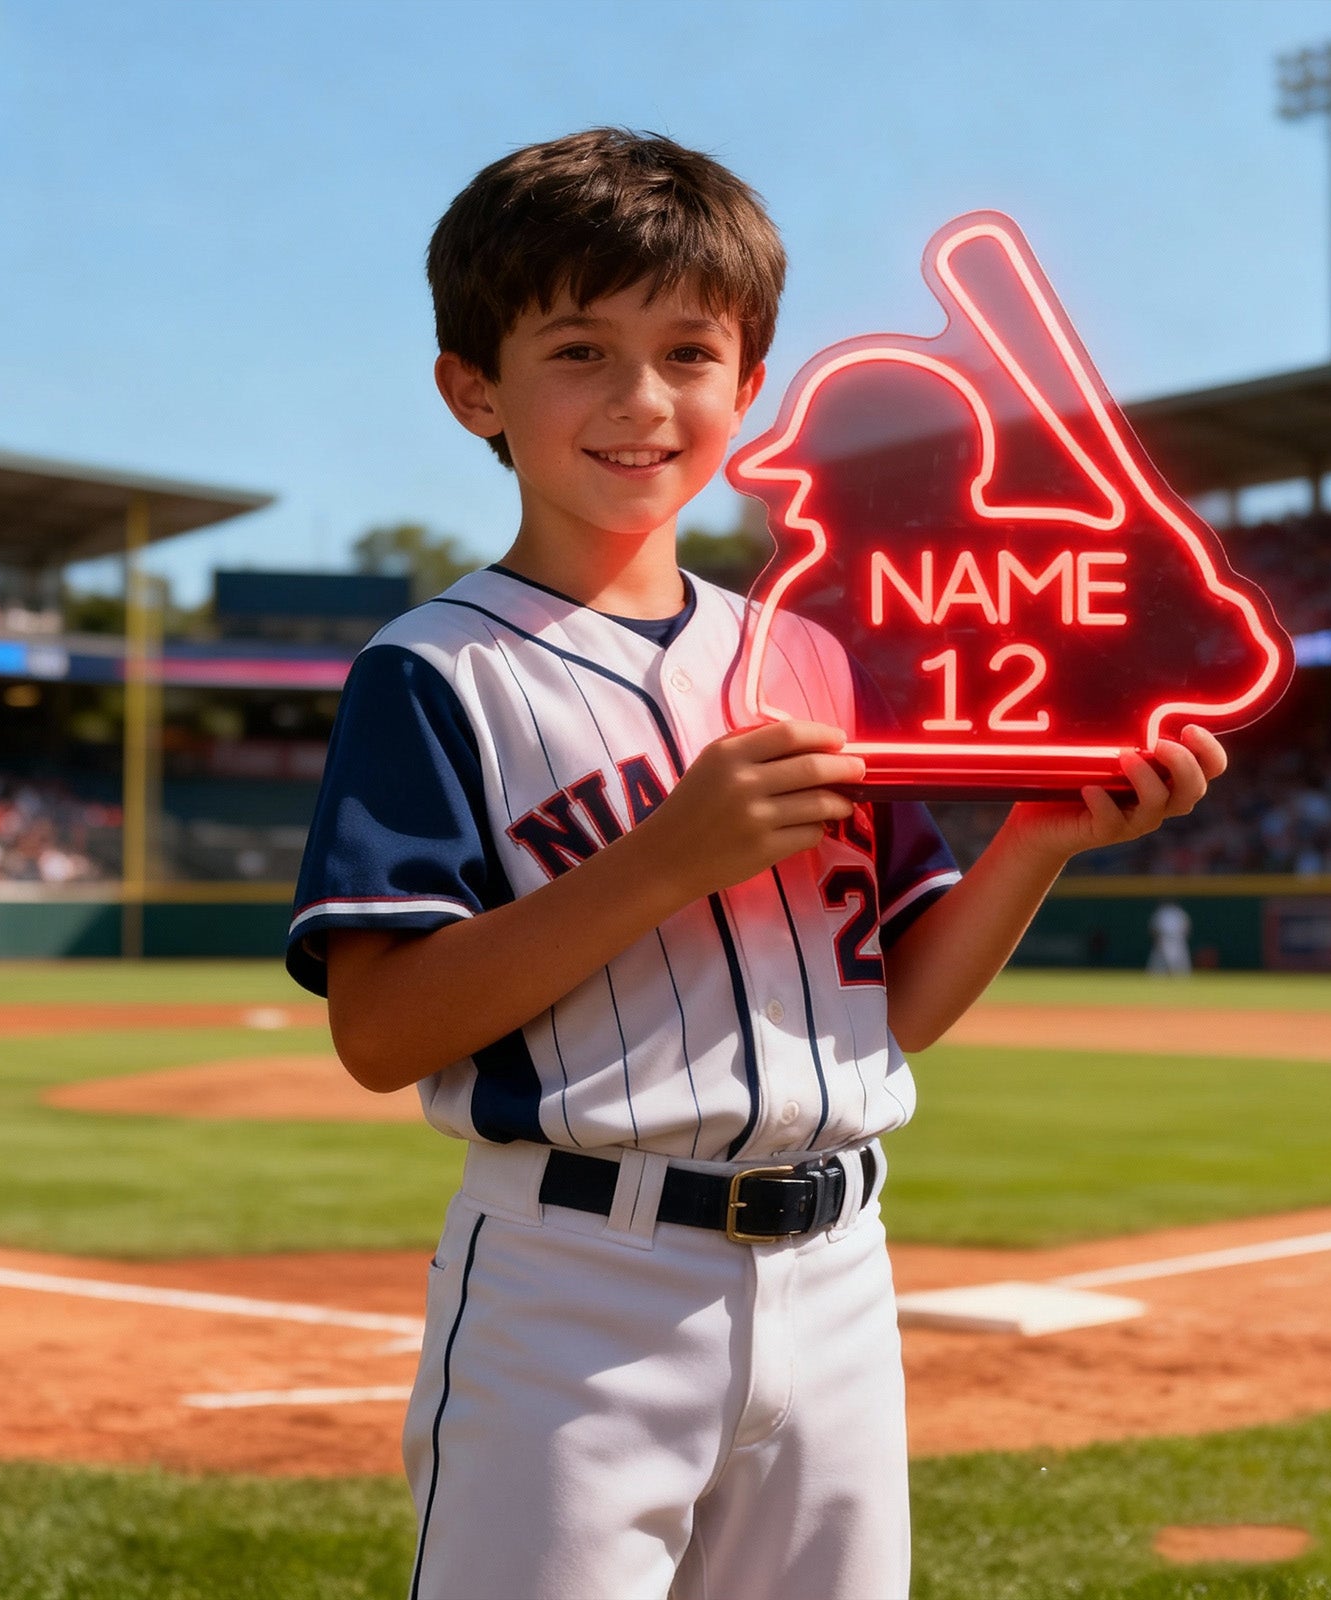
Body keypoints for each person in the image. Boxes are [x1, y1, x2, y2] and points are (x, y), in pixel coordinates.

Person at [286, 128, 1226, 1600]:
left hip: (843, 1269)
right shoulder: (436, 672)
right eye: (580, 350)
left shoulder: (815, 659)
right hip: (576, 1284)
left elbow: (897, 1007)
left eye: (689, 351)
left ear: (749, 381)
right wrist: (665, 860)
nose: (642, 400)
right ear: (476, 385)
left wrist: (1042, 839)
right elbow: (380, 1030)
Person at [1147, 899, 1193, 975]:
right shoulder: (1160, 912)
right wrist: (1157, 939)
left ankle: (1182, 978)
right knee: (1158, 961)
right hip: (1164, 938)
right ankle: (1155, 976)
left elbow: (1186, 926)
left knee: (1181, 961)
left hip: (1178, 939)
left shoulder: (1179, 912)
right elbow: (1153, 928)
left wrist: (1182, 937)